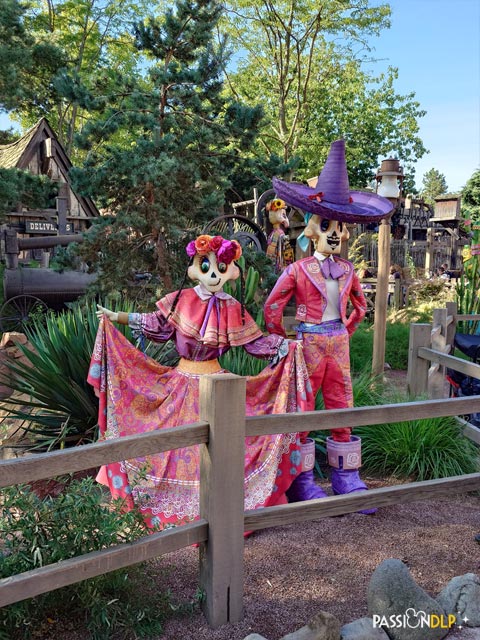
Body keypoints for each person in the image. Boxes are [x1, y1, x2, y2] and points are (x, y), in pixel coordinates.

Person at [89, 234, 313, 528]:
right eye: (205, 266)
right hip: (180, 384)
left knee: (226, 446)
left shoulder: (233, 307)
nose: (213, 274)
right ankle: (171, 512)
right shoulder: (182, 300)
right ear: (193, 268)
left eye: (221, 267)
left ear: (231, 271)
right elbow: (157, 324)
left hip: (220, 388)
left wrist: (288, 347)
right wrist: (115, 316)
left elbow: (255, 344)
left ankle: (222, 511)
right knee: (171, 446)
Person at [264, 139, 393, 510]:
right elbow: (273, 306)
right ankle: (302, 481)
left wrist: (346, 330)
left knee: (342, 406)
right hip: (307, 345)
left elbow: (361, 306)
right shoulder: (298, 269)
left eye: (340, 225)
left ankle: (346, 478)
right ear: (311, 229)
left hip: (338, 344)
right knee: (304, 411)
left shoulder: (349, 269)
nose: (335, 232)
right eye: (326, 224)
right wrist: (284, 342)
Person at [265, 198, 294, 273]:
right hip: (279, 269)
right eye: (283, 214)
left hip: (272, 268)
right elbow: (287, 254)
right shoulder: (280, 234)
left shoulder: (272, 234)